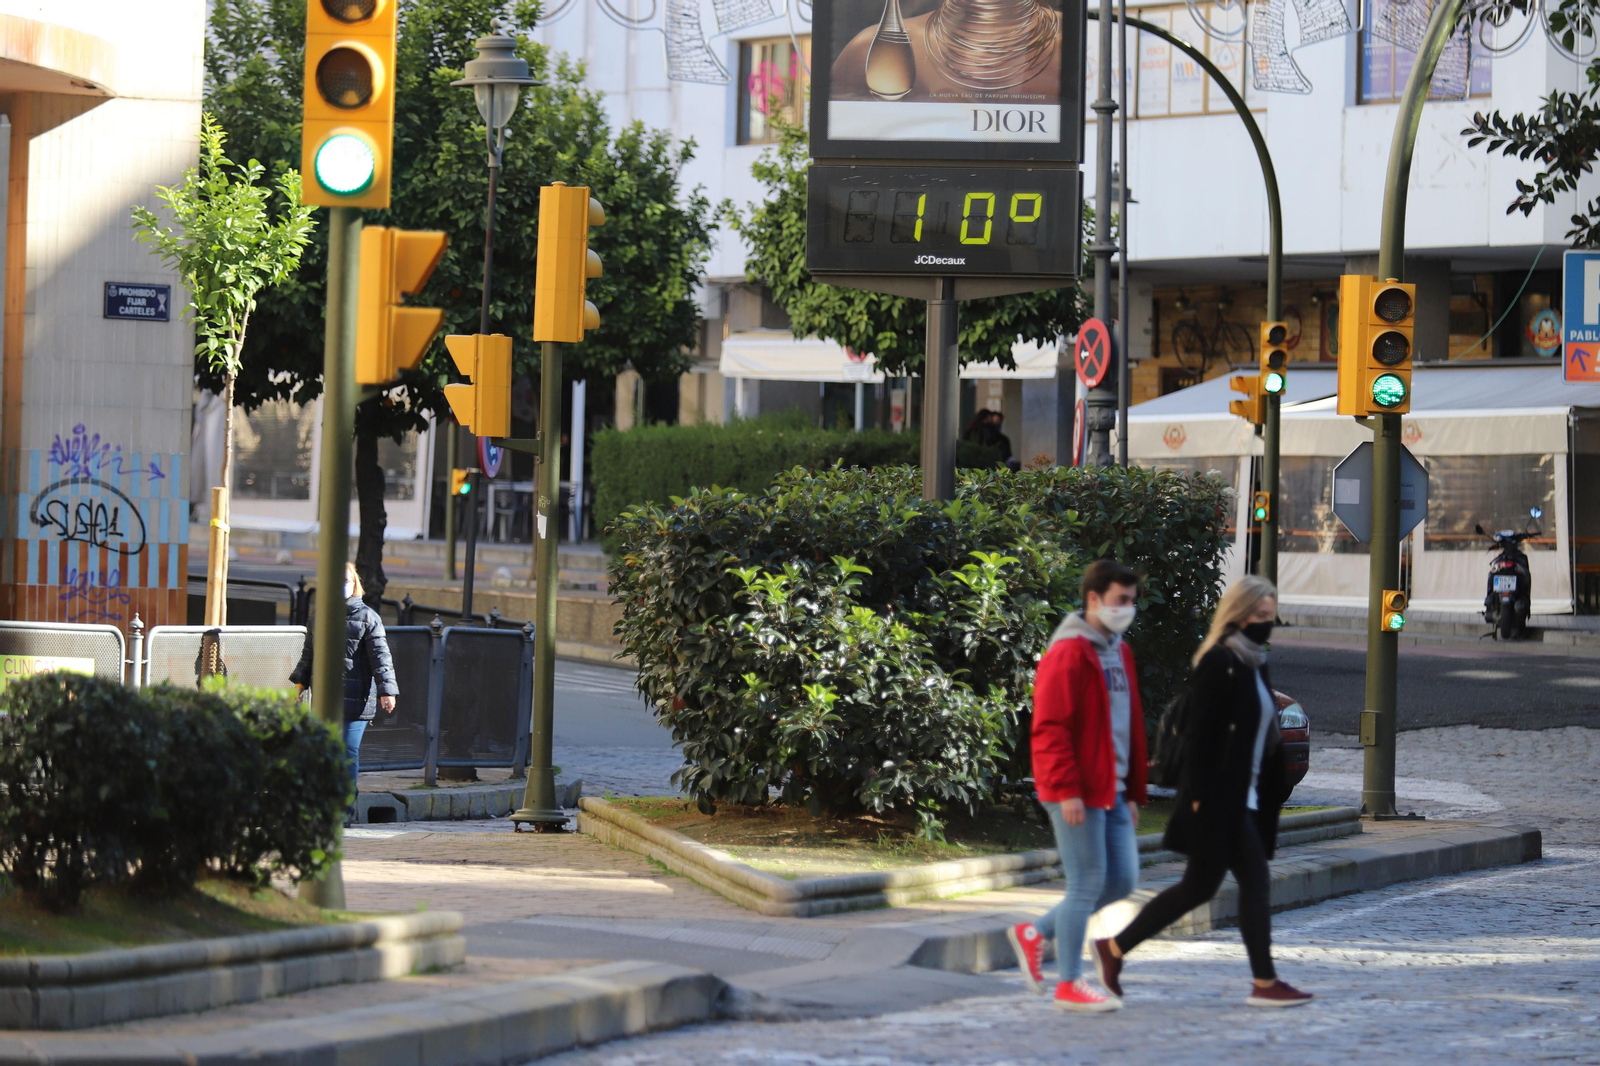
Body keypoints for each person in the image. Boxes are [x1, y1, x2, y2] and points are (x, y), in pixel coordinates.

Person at [1090, 575, 1313, 1008]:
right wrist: (1198, 799)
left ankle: (1113, 948)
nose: (1266, 623)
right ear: (1240, 614)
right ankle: (1265, 982)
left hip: (1243, 797)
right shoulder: (1219, 661)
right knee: (1255, 881)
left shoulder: (1253, 663)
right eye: (1260, 615)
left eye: (1270, 616)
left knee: (1198, 887)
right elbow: (1201, 735)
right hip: (1218, 798)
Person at [1008, 559, 1147, 1012]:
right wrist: (1067, 790)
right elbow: (1050, 727)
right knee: (1085, 883)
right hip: (1076, 791)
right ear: (1093, 599)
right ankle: (1069, 984)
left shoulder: (1121, 652)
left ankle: (1035, 933)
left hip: (1112, 790)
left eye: (1132, 600)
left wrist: (1132, 792)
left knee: (1121, 879)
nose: (1128, 608)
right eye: (1121, 599)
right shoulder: (1068, 652)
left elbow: (1129, 725)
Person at [290, 562, 398, 823]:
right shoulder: (319, 616)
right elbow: (309, 653)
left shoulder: (368, 617)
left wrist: (387, 691)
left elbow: (381, 657)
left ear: (355, 584)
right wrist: (299, 683)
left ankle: (343, 811)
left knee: (347, 753)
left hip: (356, 699)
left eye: (346, 580)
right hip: (324, 698)